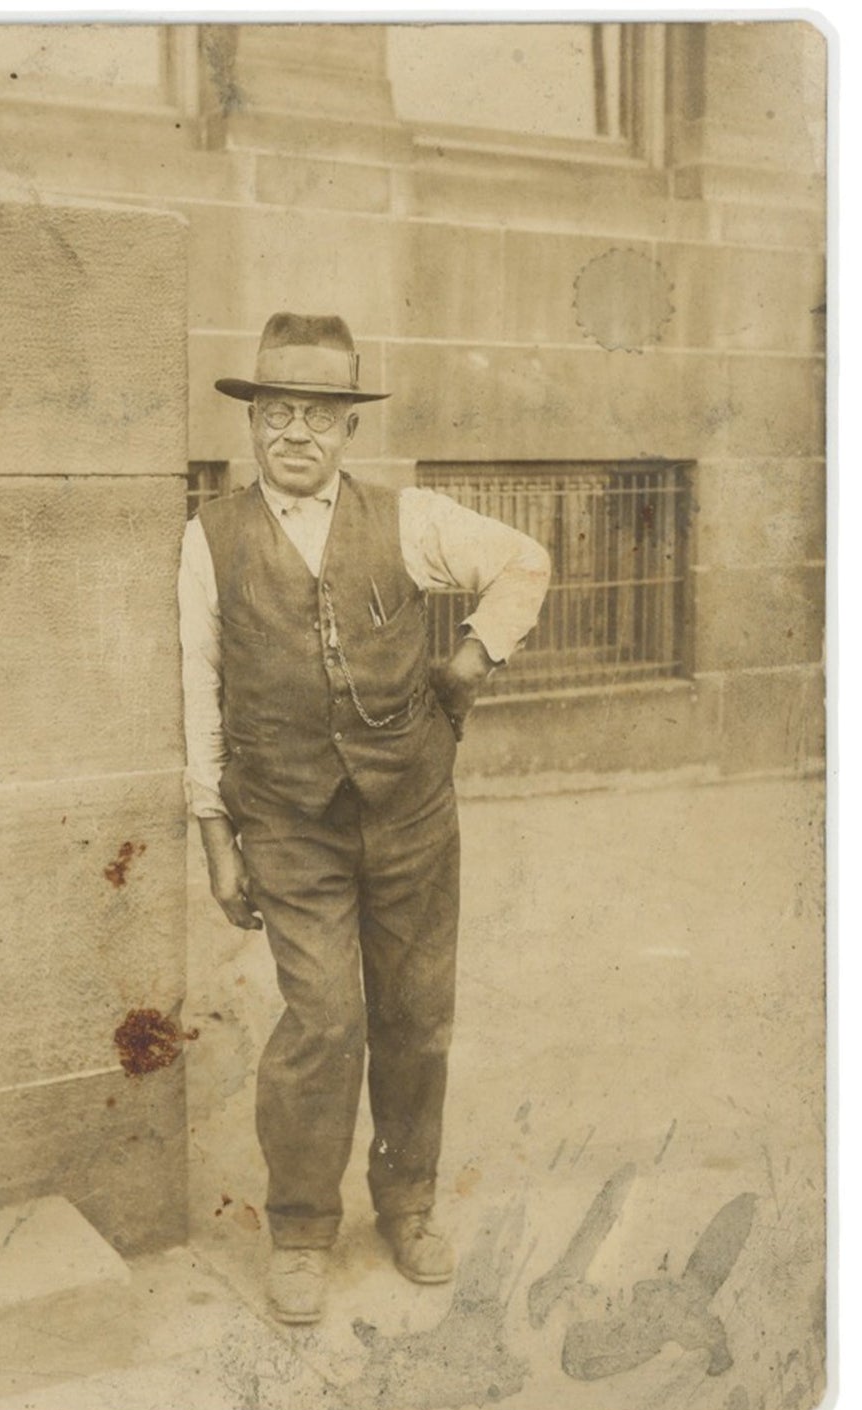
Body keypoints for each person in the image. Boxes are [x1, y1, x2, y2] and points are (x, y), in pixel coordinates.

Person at [177, 312, 550, 1325]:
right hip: (287, 821)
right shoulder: (208, 537)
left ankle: (408, 1202)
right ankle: (300, 1225)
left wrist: (470, 657)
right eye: (275, 413)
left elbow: (525, 560)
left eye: (318, 416)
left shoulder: (410, 519)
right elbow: (195, 687)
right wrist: (216, 837)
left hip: (411, 814)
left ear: (349, 430)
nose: (294, 434)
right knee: (325, 1020)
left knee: (414, 1018)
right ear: (253, 425)